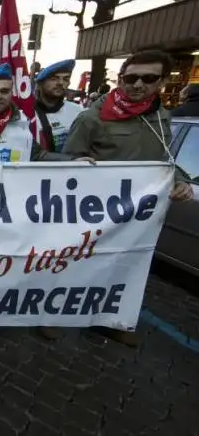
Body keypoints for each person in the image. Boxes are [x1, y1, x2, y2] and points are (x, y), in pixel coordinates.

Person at [63, 50, 193, 346]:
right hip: (93, 212)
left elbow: (165, 160)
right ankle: (55, 316)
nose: (138, 85)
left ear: (161, 82)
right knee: (78, 263)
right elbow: (67, 161)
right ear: (120, 79)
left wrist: (181, 180)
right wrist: (77, 164)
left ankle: (112, 319)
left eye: (148, 79)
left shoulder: (162, 117)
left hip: (139, 214)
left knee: (127, 266)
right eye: (131, 78)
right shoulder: (91, 119)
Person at [34, 59, 85, 153]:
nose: (61, 83)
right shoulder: (26, 114)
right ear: (40, 83)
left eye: (65, 79)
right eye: (54, 78)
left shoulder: (78, 112)